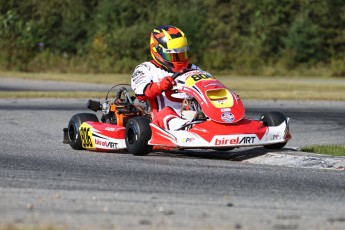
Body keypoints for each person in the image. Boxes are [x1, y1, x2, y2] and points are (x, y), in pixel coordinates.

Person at [131, 25, 204, 130]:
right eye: (173, 56)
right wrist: (159, 86)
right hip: (161, 122)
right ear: (157, 51)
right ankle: (186, 127)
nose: (179, 59)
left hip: (193, 114)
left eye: (182, 54)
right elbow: (140, 93)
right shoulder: (146, 68)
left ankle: (210, 124)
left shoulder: (193, 69)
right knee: (166, 113)